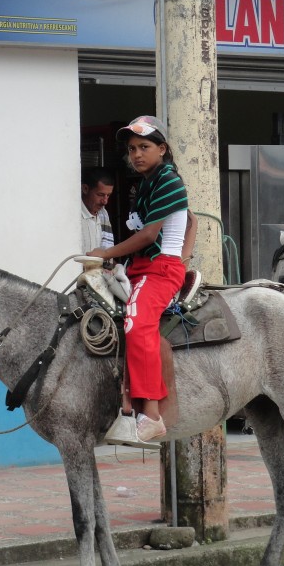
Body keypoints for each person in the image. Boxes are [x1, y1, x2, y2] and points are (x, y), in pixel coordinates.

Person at [87, 115, 196, 443]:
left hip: (160, 268)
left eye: (144, 147)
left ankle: (150, 414)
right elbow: (190, 222)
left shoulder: (168, 181)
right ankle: (121, 405)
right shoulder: (147, 182)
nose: (136, 154)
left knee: (136, 323)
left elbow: (149, 235)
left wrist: (106, 254)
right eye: (132, 148)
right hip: (140, 267)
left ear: (162, 149)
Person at [80, 166, 115, 254]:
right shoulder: (75, 214)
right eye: (100, 194)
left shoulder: (103, 214)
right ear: (85, 189)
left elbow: (106, 252)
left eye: (108, 195)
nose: (105, 201)